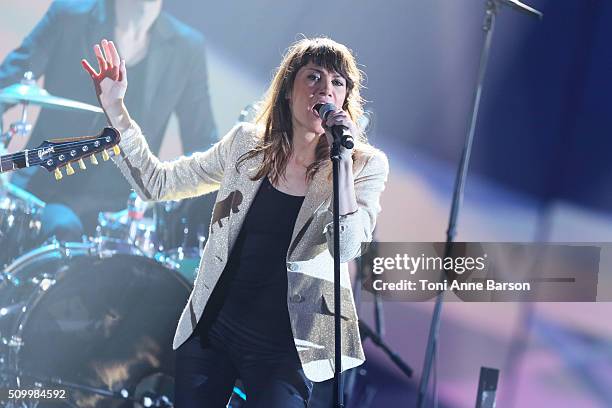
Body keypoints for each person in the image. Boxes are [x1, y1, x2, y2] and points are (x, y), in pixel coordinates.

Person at [82, 36, 389, 407]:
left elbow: (347, 246)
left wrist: (341, 161)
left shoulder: (363, 166)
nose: (325, 89)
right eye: (314, 77)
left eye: (337, 82)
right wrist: (116, 108)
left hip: (289, 348)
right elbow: (157, 182)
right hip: (216, 328)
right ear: (288, 90)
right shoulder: (246, 145)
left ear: (344, 99)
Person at [0, 0, 217, 242]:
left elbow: (203, 143)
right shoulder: (69, 15)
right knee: (63, 231)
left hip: (122, 213)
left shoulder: (187, 48)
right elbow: (5, 86)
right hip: (47, 191)